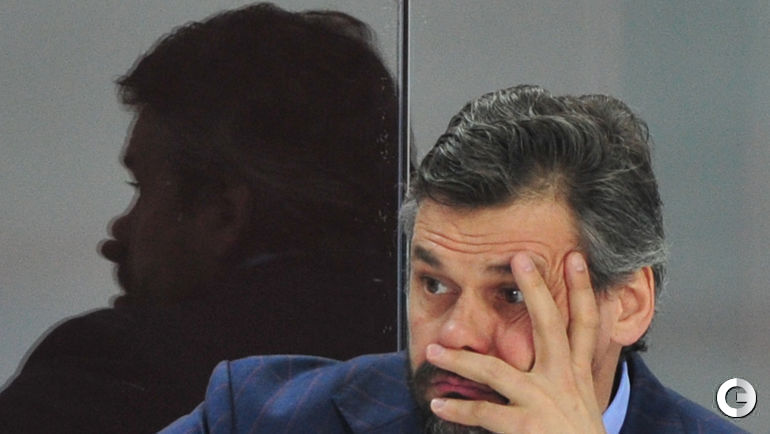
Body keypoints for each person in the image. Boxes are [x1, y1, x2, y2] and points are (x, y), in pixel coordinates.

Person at [161, 85, 746, 433]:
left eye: (512, 295)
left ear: (627, 305)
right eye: (434, 285)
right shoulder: (261, 415)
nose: (454, 336)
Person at [0, 3, 399, 433]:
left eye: (142, 187)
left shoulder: (115, 372)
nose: (117, 234)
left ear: (224, 212)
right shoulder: (430, 378)